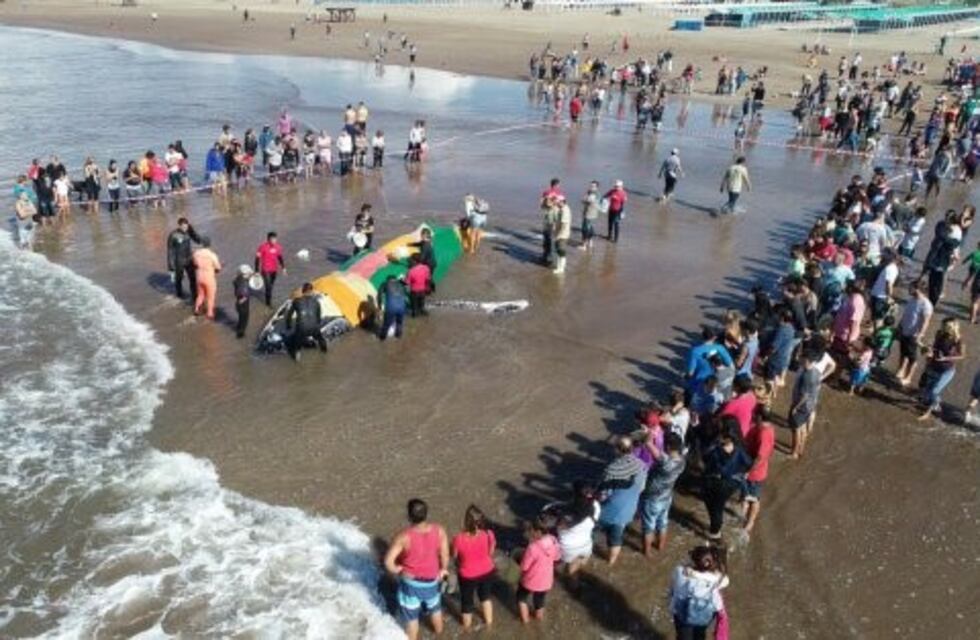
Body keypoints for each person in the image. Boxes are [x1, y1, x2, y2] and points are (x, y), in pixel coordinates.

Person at [383, 499, 449, 640]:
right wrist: (443, 569)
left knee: (412, 619)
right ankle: (439, 633)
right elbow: (444, 554)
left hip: (411, 584)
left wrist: (399, 569)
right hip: (432, 582)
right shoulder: (439, 530)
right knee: (435, 609)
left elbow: (388, 563)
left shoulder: (403, 537)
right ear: (426, 513)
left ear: (409, 516)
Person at [597, 436, 647, 564]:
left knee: (591, 532)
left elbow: (603, 495)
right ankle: (611, 562)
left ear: (617, 450)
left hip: (608, 511)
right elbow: (642, 488)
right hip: (629, 508)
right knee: (616, 538)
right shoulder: (641, 465)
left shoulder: (611, 469)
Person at [701, 427, 752, 539]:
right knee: (719, 506)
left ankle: (715, 532)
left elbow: (704, 458)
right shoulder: (739, 450)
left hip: (712, 482)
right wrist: (742, 473)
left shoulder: (715, 450)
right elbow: (749, 463)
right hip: (730, 484)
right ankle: (715, 530)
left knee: (713, 507)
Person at [668, 546, 729, 640]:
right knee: (700, 635)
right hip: (703, 618)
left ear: (693, 561)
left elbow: (674, 583)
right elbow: (725, 581)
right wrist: (699, 574)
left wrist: (693, 572)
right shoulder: (716, 580)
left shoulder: (680, 571)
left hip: (682, 617)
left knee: (683, 636)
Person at [450, 505, 496, 631]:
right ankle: (489, 626)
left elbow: (454, 555)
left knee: (467, 602)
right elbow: (490, 553)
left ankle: (466, 629)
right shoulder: (488, 534)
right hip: (487, 570)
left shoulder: (458, 538)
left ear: (466, 521)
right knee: (485, 598)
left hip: (467, 575)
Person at [640, 432, 686, 556]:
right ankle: (660, 546)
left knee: (648, 527)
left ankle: (647, 552)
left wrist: (648, 436)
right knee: (663, 523)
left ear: (669, 447)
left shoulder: (665, 462)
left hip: (652, 499)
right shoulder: (682, 461)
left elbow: (649, 446)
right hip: (666, 497)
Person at [918, 317, 965, 420]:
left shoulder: (958, 339)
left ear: (952, 327)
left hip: (947, 370)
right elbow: (934, 347)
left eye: (945, 326)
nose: (942, 327)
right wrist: (928, 350)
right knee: (928, 390)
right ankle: (936, 404)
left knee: (934, 391)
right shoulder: (939, 333)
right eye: (942, 325)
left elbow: (962, 355)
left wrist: (945, 358)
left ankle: (927, 413)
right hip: (934, 366)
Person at [517, 516, 559, 624]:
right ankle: (539, 618)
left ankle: (525, 621)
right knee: (539, 600)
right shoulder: (554, 540)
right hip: (546, 581)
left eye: (531, 529)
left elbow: (524, 567)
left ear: (538, 531)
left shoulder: (533, 547)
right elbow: (556, 557)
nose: (530, 532)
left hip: (530, 580)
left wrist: (519, 561)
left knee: (521, 597)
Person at [554, 481, 599, 578]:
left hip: (567, 548)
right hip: (586, 545)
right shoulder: (596, 506)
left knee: (556, 567)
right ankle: (574, 583)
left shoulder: (564, 514)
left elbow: (558, 527)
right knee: (573, 570)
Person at [741, 405, 774, 535]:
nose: (753, 416)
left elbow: (760, 457)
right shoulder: (761, 427)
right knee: (745, 496)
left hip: (755, 474)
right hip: (750, 469)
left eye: (755, 414)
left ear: (760, 417)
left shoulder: (764, 433)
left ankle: (750, 522)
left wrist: (749, 471)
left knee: (754, 498)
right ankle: (743, 515)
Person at [896, 282, 934, 387]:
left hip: (914, 334)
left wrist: (920, 334)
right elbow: (905, 314)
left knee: (912, 357)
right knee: (903, 352)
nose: (909, 289)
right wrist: (899, 326)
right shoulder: (911, 300)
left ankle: (908, 377)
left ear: (917, 289)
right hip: (904, 330)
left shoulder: (926, 304)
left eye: (911, 288)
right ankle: (901, 370)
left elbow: (926, 321)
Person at [788, 350, 822, 459]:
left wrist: (795, 407)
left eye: (803, 358)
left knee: (796, 429)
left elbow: (804, 396)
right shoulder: (816, 371)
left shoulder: (807, 376)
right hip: (810, 405)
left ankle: (794, 452)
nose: (801, 360)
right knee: (802, 428)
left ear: (808, 360)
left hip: (802, 406)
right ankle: (801, 449)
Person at [285, 282, 327, 361]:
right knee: (321, 339)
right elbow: (318, 318)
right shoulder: (317, 302)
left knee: (297, 343)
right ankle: (324, 354)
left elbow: (289, 316)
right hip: (314, 328)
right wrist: (317, 327)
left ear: (303, 291)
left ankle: (297, 356)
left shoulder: (296, 301)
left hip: (301, 329)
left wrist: (288, 326)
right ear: (312, 291)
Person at [167, 217, 201, 300]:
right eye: (183, 226)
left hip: (189, 259)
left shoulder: (189, 231)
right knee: (179, 279)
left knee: (193, 278)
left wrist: (192, 230)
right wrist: (171, 265)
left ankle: (195, 296)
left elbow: (198, 240)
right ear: (179, 226)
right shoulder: (173, 235)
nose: (185, 228)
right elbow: (170, 251)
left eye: (186, 226)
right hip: (179, 260)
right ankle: (179, 295)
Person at [192, 237, 222, 320]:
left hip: (199, 277)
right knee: (210, 296)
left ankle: (196, 309)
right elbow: (218, 267)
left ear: (202, 244)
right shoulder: (212, 255)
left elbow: (195, 263)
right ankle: (210, 313)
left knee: (200, 295)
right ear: (209, 244)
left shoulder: (196, 253)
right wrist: (217, 269)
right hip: (209, 277)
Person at [254, 231, 286, 307]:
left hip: (274, 270)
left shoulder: (278, 247)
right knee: (268, 286)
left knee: (271, 286)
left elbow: (280, 257)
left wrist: (283, 268)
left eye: (275, 239)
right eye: (272, 239)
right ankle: (268, 304)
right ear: (268, 239)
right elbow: (257, 259)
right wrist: (256, 271)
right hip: (265, 270)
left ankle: (268, 296)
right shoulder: (262, 247)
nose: (274, 241)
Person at [378, 275, 408, 340]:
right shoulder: (401, 284)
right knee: (399, 323)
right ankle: (398, 336)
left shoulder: (385, 284)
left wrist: (379, 307)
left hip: (391, 307)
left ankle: (381, 339)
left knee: (386, 324)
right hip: (402, 307)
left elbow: (379, 295)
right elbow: (405, 295)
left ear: (388, 279)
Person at [553, 197, 572, 274]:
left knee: (561, 250)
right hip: (560, 233)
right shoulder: (561, 208)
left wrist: (558, 236)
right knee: (558, 250)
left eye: (558, 202)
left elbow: (564, 225)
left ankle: (561, 268)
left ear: (562, 202)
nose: (556, 203)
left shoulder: (565, 210)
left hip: (563, 234)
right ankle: (559, 266)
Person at [233, 265, 253, 339]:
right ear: (244, 274)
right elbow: (243, 293)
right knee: (244, 319)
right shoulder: (243, 283)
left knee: (241, 319)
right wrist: (245, 297)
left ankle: (239, 330)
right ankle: (240, 334)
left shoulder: (237, 279)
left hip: (238, 303)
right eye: (248, 274)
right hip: (243, 303)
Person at [580, 180, 600, 250]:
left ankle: (584, 245)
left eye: (593, 186)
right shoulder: (593, 193)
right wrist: (585, 199)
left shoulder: (594, 194)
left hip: (589, 214)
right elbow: (583, 200)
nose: (591, 187)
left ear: (597, 187)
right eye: (591, 186)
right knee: (590, 227)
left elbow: (585, 200)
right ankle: (590, 241)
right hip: (592, 213)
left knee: (585, 229)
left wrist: (585, 199)